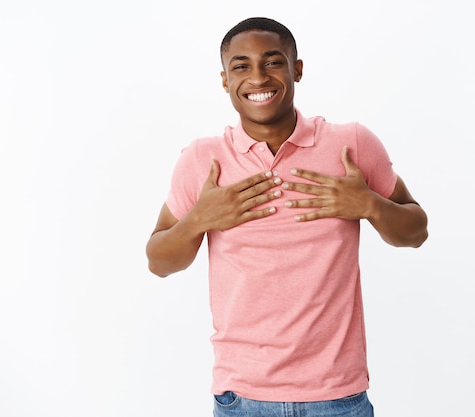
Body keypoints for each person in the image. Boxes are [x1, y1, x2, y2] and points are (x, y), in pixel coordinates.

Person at [146, 17, 428, 417]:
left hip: (338, 396)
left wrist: (369, 205)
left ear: (296, 69)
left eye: (273, 62)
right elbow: (157, 261)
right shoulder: (202, 160)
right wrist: (198, 220)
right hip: (241, 398)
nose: (257, 77)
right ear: (225, 80)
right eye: (241, 66)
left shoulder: (352, 144)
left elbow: (416, 230)